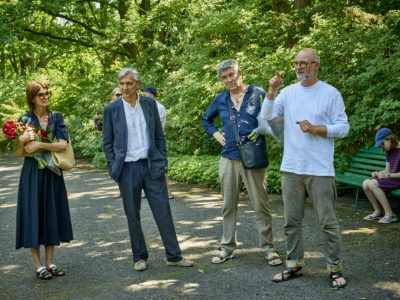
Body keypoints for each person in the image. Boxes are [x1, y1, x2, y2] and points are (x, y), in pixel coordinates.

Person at [261, 48, 350, 288]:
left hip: (320, 169)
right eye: (296, 63)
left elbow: (343, 128)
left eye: (303, 63)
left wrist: (317, 129)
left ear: (316, 66)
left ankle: (334, 268)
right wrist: (271, 91)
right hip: (291, 168)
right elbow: (266, 116)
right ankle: (294, 265)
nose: (299, 67)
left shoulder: (330, 93)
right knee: (291, 222)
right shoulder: (288, 93)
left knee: (328, 223)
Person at [102, 67, 194, 271]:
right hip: (127, 169)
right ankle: (139, 256)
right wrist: (113, 167)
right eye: (122, 84)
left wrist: (162, 163)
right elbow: (107, 143)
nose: (125, 88)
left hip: (152, 166)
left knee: (163, 212)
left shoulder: (150, 104)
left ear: (137, 84)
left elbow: (159, 137)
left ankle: (174, 255)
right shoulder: (111, 110)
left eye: (129, 83)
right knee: (132, 215)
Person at [202, 59, 282, 266]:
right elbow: (206, 119)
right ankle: (227, 248)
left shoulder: (258, 93)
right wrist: (216, 134)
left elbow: (274, 118)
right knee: (228, 205)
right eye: (224, 77)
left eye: (232, 75)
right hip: (228, 158)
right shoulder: (220, 99)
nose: (229, 79)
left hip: (254, 157)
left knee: (260, 204)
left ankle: (268, 248)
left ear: (240, 73)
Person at [16, 81, 73, 280]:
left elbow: (63, 145)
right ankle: (38, 265)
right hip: (31, 173)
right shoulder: (24, 119)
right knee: (33, 214)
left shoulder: (56, 117)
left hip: (52, 172)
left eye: (47, 93)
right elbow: (18, 153)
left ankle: (50, 262)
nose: (46, 97)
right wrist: (22, 141)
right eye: (41, 94)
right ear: (32, 98)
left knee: (51, 214)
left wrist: (40, 144)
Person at [141, 86, 174, 200]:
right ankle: (147, 191)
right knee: (146, 165)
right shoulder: (146, 107)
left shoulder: (159, 108)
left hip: (157, 141)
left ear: (153, 95)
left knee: (162, 165)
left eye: (146, 94)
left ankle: (167, 191)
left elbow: (153, 126)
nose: (143, 96)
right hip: (146, 141)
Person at [362, 128, 399, 224]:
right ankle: (378, 211)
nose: (382, 147)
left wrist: (388, 175)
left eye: (382, 144)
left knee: (373, 184)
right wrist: (378, 173)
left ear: (389, 139)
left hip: (397, 178)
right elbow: (387, 170)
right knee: (366, 183)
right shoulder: (389, 150)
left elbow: (389, 173)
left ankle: (390, 214)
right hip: (392, 178)